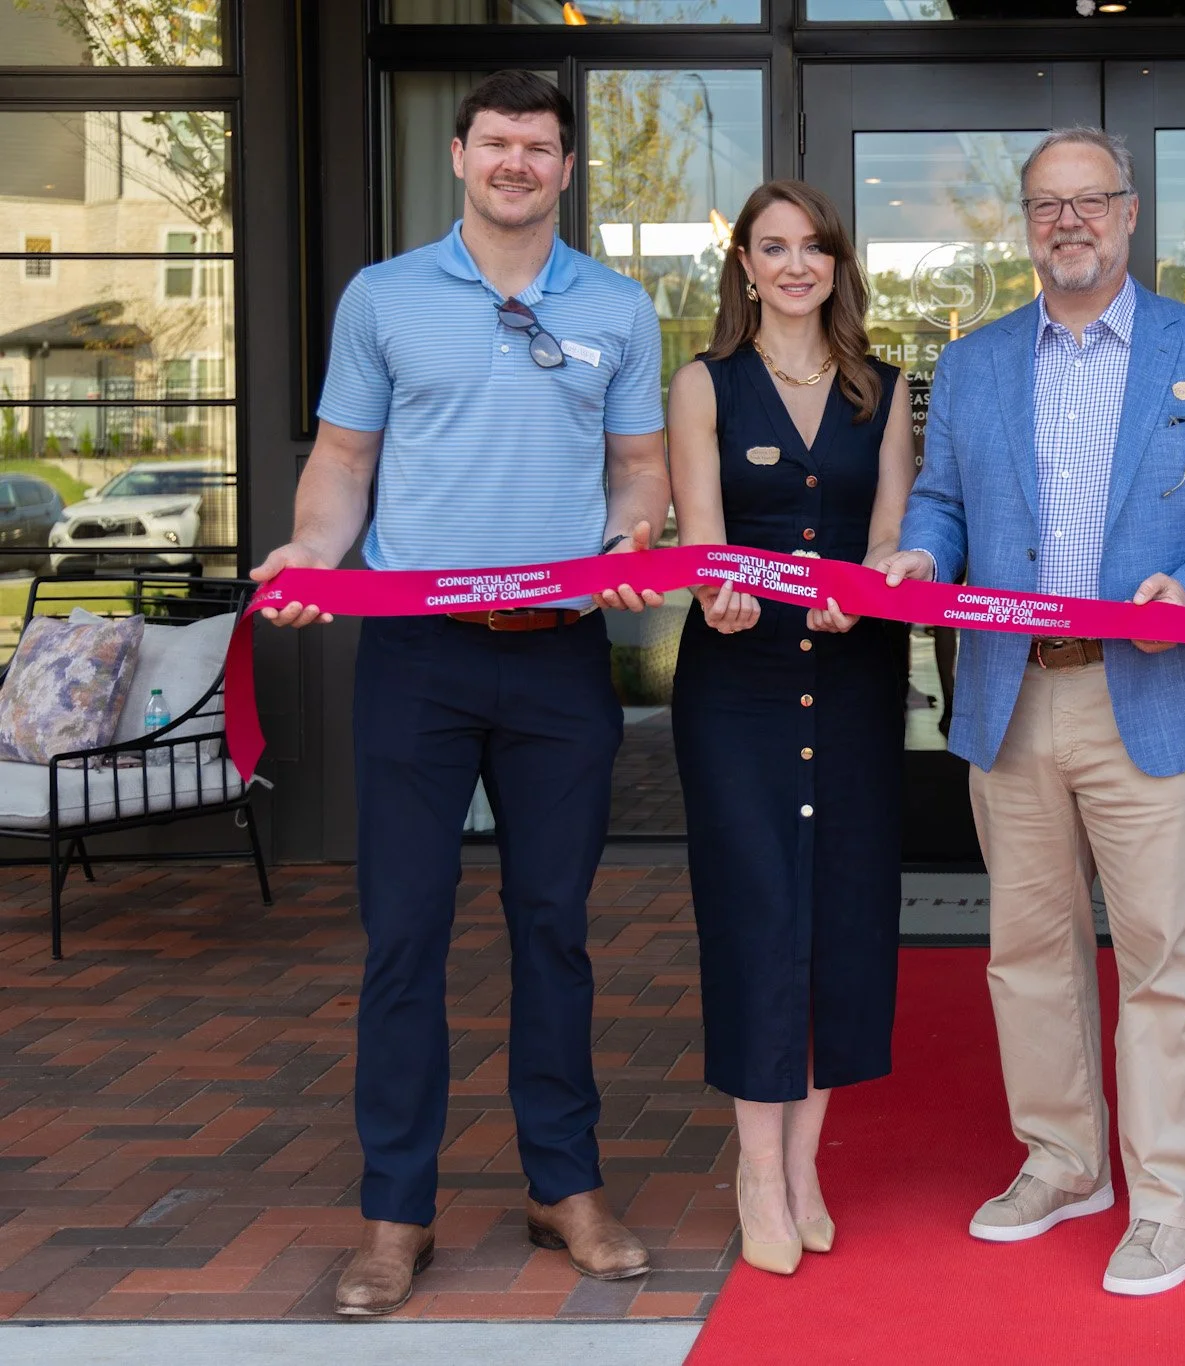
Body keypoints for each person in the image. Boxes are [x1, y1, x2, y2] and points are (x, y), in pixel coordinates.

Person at [253, 70, 670, 1316]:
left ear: (565, 167)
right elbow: (342, 462)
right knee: (404, 936)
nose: (517, 164)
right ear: (458, 155)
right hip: (417, 662)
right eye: (497, 143)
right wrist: (315, 554)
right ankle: (396, 1211)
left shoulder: (617, 305)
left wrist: (627, 544)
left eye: (539, 147)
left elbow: (638, 468)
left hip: (555, 660)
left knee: (554, 927)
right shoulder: (382, 298)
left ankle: (566, 1184)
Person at [876, 126, 1185, 1298]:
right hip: (1010, 693)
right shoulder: (970, 365)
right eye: (1045, 206)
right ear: (1026, 225)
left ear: (1127, 213)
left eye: (1088, 202)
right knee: (1026, 950)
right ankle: (1063, 1162)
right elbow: (946, 502)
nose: (1067, 222)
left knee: (1165, 958)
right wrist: (918, 552)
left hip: (1150, 693)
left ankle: (1168, 1202)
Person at [665, 180, 915, 1277]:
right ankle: (755, 1170)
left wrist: (872, 586)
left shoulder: (886, 391)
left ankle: (806, 1167)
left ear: (837, 262)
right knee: (758, 915)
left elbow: (894, 539)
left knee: (842, 917)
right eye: (774, 247)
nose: (795, 265)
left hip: (854, 675)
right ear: (745, 265)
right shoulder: (702, 384)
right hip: (739, 682)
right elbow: (704, 543)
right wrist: (721, 593)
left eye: (813, 247)